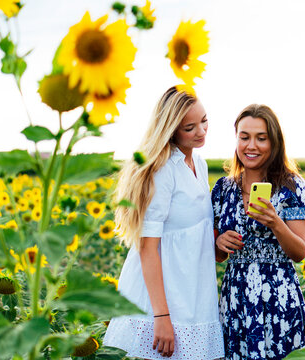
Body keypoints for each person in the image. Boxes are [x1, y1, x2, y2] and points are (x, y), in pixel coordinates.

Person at [104, 86, 224, 360]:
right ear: (170, 130)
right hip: (161, 300)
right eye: (189, 127)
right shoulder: (163, 170)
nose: (201, 132)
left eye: (204, 121)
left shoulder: (200, 165)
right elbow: (147, 249)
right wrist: (161, 316)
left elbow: (194, 230)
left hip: (193, 293)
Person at [211, 104, 305, 360]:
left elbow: (300, 252)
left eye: (261, 138)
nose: (251, 146)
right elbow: (217, 256)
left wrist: (275, 222)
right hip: (236, 299)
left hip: (279, 298)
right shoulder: (224, 189)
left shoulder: (291, 186)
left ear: (274, 142)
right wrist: (220, 242)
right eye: (244, 137)